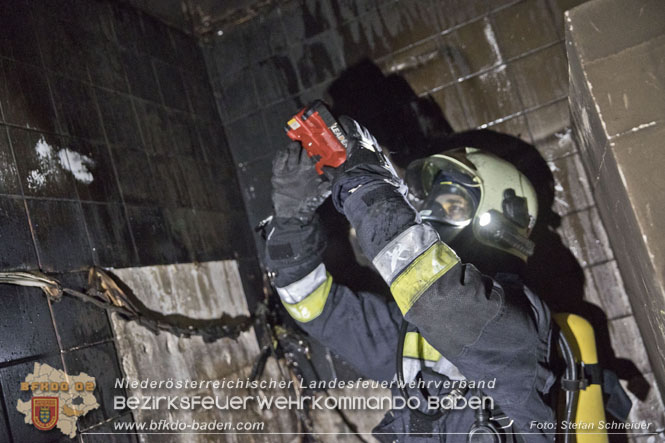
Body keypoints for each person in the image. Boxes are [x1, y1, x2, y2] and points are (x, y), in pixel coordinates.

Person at [264, 116, 556, 442]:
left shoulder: (520, 322)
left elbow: (438, 296)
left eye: (453, 204)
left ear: (499, 223)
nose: (431, 215)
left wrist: (366, 187)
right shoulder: (413, 338)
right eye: (430, 204)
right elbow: (314, 307)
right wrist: (291, 220)